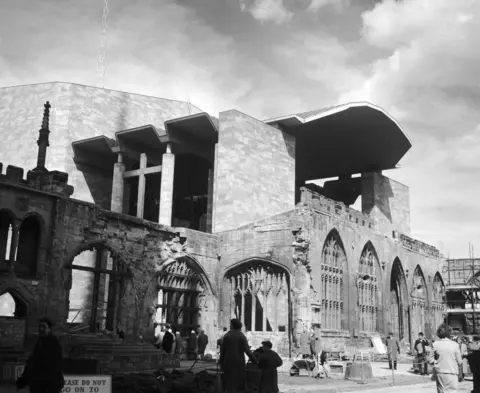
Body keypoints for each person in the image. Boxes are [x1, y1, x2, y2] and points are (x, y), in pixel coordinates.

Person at [16, 317, 65, 393]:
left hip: (48, 385)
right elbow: (32, 362)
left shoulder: (54, 344)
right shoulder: (39, 342)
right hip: (39, 383)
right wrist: (24, 379)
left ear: (49, 329)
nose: (41, 329)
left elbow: (54, 366)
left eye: (44, 327)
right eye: (39, 326)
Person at [219, 318, 257, 393]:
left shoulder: (227, 335)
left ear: (233, 326)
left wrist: (220, 361)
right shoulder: (241, 336)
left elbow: (222, 350)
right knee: (237, 382)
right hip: (238, 363)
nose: (230, 326)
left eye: (230, 325)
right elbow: (247, 350)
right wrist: (255, 360)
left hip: (227, 362)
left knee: (228, 381)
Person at [428, 324, 463, 393]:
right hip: (452, 373)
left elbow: (430, 360)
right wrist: (460, 374)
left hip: (440, 372)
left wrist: (437, 362)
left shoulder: (435, 344)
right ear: (449, 333)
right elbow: (460, 362)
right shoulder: (455, 345)